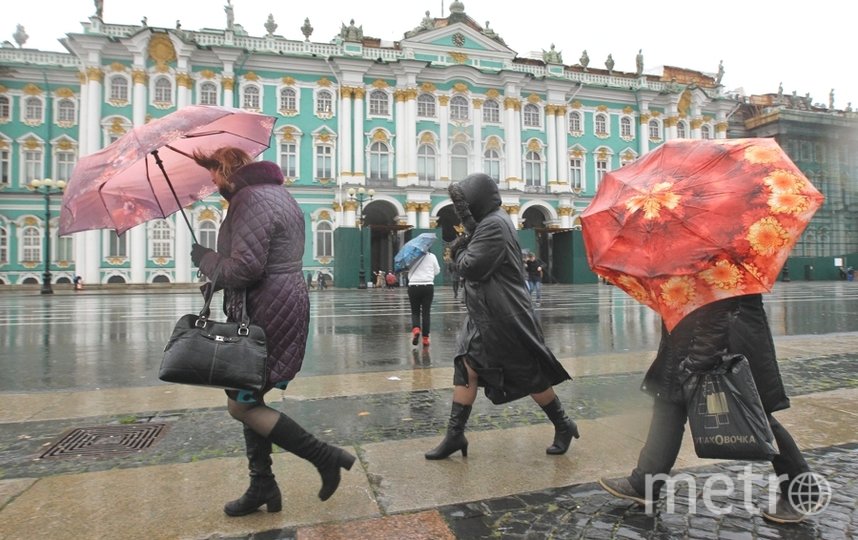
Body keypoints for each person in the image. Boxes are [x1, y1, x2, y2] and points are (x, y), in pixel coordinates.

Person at [189, 146, 354, 517]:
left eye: (212, 173)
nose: (211, 181)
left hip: (265, 310)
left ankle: (324, 457)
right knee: (249, 395)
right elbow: (268, 258)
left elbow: (246, 268)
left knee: (241, 404)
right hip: (279, 301)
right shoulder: (279, 195)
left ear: (225, 169)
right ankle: (262, 484)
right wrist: (217, 279)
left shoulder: (249, 200)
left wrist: (206, 260)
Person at [599, 294, 817, 524]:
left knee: (754, 415)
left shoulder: (716, 259)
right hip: (691, 337)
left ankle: (801, 490)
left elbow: (720, 300)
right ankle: (643, 483)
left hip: (714, 341)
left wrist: (701, 358)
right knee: (668, 402)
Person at [425, 173, 579, 460]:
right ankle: (455, 435)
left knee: (528, 373)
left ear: (478, 201)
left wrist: (456, 253)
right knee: (466, 366)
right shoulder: (488, 223)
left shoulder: (494, 225)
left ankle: (563, 423)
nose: (465, 211)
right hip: (485, 313)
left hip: (504, 315)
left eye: (467, 205)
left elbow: (471, 267)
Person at [407, 246, 440, 347]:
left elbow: (407, 271)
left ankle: (416, 329)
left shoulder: (411, 257)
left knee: (415, 311)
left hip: (413, 286)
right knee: (426, 313)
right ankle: (425, 339)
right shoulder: (432, 256)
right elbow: (437, 271)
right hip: (428, 286)